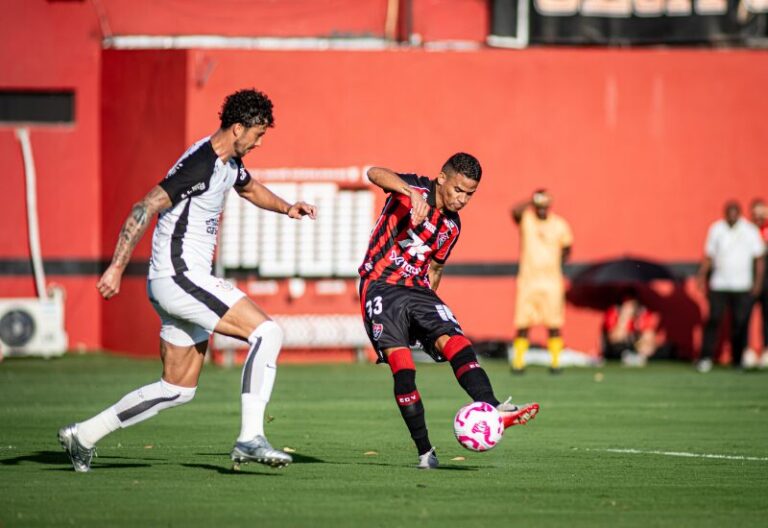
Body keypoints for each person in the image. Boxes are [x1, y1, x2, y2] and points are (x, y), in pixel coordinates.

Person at [58, 89, 317, 472]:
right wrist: (116, 266)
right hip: (180, 277)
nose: (260, 143)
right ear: (237, 127)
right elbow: (144, 205)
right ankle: (249, 438)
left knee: (177, 388)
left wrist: (286, 207)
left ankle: (84, 435)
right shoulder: (202, 164)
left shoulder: (231, 163)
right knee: (268, 333)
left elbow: (249, 188)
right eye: (258, 135)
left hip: (174, 283)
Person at [358, 153, 539, 469]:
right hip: (380, 286)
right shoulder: (415, 188)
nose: (463, 199)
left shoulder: (452, 226)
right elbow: (374, 172)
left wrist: (428, 316)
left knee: (456, 341)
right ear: (442, 178)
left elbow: (436, 267)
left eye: (470, 194)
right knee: (403, 368)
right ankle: (425, 452)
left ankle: (492, 405)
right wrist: (407, 191)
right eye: (459, 190)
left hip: (418, 290)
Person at [696, 201, 765, 372]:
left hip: (742, 285)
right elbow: (709, 256)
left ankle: (738, 359)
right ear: (725, 213)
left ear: (740, 214)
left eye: (735, 212)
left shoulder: (750, 231)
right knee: (713, 319)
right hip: (719, 284)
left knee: (740, 323)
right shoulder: (716, 229)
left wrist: (757, 283)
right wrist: (701, 276)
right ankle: (705, 357)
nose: (732, 216)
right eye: (729, 212)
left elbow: (759, 259)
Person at [509, 190, 573, 373]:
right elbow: (514, 212)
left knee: (554, 324)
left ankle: (556, 363)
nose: (542, 210)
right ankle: (518, 363)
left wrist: (557, 260)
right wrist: (531, 200)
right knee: (523, 324)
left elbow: (568, 247)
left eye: (545, 205)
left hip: (551, 282)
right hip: (528, 281)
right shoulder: (527, 219)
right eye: (539, 205)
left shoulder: (559, 224)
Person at [602, 290, 659, 367]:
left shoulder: (643, 314)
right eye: (627, 304)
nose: (630, 307)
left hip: (637, 353)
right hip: (616, 353)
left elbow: (649, 338)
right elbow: (614, 339)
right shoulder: (614, 312)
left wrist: (643, 346)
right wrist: (624, 318)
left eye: (633, 304)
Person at [749, 198, 768, 366]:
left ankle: (766, 351)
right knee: (744, 316)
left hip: (767, 281)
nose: (758, 216)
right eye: (755, 213)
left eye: (761, 212)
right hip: (748, 280)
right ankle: (746, 350)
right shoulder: (747, 231)